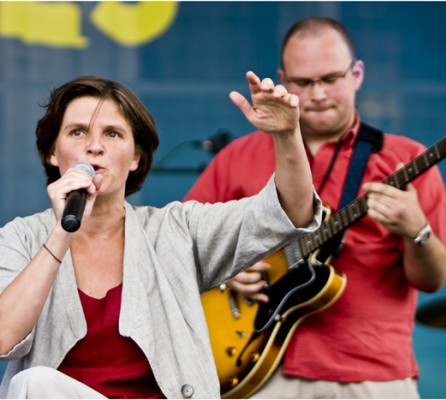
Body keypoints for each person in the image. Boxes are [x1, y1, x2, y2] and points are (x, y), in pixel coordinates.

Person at [184, 17, 446, 399]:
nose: (317, 94)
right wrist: (225, 270)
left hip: (372, 373)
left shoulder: (406, 158)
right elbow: (181, 248)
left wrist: (416, 230)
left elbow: (431, 280)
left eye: (330, 79)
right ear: (283, 79)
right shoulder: (237, 157)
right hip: (258, 366)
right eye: (303, 82)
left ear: (357, 74)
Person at [0, 72, 322, 399]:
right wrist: (60, 234)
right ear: (52, 153)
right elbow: (3, 339)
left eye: (112, 134)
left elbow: (288, 212)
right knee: (31, 383)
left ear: (136, 158)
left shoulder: (175, 230)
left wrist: (286, 135)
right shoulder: (22, 237)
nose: (94, 147)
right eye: (78, 132)